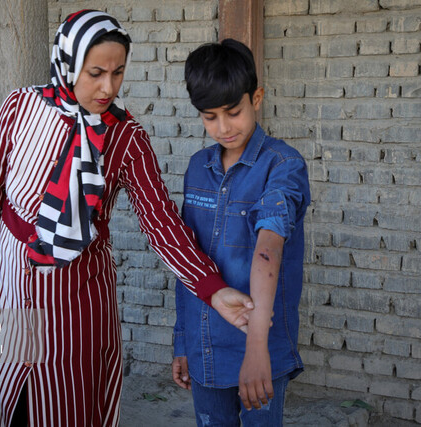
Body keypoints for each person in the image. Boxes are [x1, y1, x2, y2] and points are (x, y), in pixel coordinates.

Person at [0, 10, 255, 427]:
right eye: (95, 72)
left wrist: (213, 289)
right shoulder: (19, 109)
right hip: (11, 282)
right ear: (68, 64)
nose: (107, 87)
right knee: (4, 400)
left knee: (69, 405)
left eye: (118, 72)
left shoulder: (127, 137)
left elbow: (162, 224)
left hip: (80, 297)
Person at [171, 39, 311, 427]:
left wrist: (256, 347)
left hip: (260, 349)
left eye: (233, 112)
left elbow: (269, 249)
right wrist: (182, 341)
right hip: (204, 345)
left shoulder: (282, 165)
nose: (223, 127)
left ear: (257, 98)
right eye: (209, 116)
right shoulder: (198, 167)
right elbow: (188, 259)